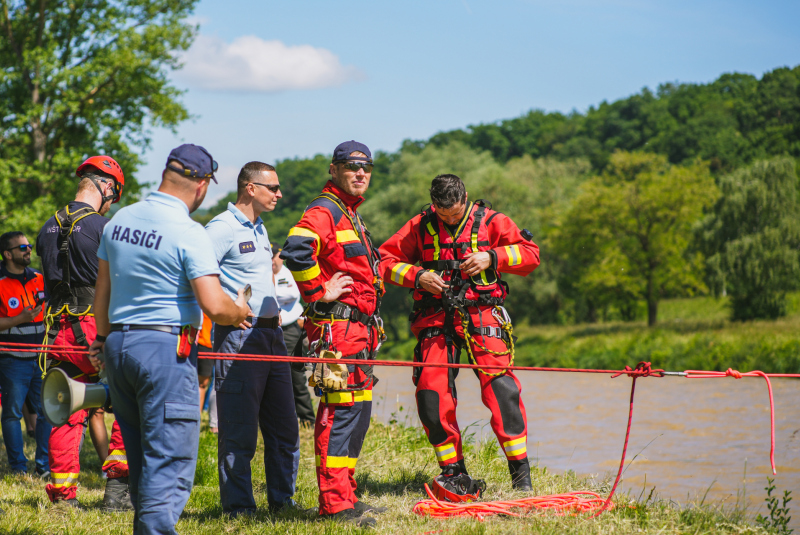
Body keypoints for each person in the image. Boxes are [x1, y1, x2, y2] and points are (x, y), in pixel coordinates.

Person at [88, 144, 250, 534]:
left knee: (142, 458)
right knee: (171, 460)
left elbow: (102, 292)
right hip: (164, 351)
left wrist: (102, 342)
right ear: (201, 184)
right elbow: (214, 306)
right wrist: (240, 309)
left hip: (119, 347)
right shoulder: (187, 231)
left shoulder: (119, 221)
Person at [379, 174, 540, 498]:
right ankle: (454, 473)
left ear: (465, 198)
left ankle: (520, 475)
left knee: (501, 390)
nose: (451, 220)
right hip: (435, 317)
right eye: (445, 215)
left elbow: (531, 256)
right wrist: (418, 275)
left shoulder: (492, 221)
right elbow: (384, 261)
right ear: (434, 205)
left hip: (482, 313)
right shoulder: (419, 225)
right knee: (430, 391)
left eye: (456, 214)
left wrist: (492, 256)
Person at [281, 140, 387, 527]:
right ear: (334, 169)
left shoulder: (349, 213)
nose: (361, 173)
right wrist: (317, 295)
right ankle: (334, 505)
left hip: (358, 332)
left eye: (367, 168)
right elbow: (295, 250)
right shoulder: (324, 209)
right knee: (340, 413)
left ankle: (347, 495)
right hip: (337, 331)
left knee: (357, 413)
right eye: (352, 167)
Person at [205, 161, 299, 516]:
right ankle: (239, 509)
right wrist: (226, 309)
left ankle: (283, 502)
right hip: (239, 337)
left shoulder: (259, 227)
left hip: (273, 335)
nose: (279, 194)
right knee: (239, 431)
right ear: (249, 188)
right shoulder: (222, 227)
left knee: (285, 428)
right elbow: (195, 273)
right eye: (272, 188)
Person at [35, 155, 130, 508]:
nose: (112, 202)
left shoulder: (47, 226)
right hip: (95, 326)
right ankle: (118, 492)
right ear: (106, 187)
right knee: (125, 402)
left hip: (57, 331)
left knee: (67, 408)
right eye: (114, 195)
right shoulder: (102, 228)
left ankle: (63, 497)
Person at [0, 231, 50, 476]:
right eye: (22, 247)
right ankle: (18, 467)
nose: (28, 250)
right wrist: (19, 319)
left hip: (40, 358)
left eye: (29, 246)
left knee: (47, 412)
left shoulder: (39, 278)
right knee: (12, 414)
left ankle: (44, 466)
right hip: (11, 360)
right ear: (8, 254)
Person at [272, 243, 315, 428]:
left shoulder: (287, 273)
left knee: (296, 375)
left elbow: (291, 294)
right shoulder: (260, 272)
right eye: (272, 256)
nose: (274, 261)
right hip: (267, 328)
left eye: (276, 257)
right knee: (268, 374)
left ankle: (307, 419)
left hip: (289, 329)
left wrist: (270, 289)